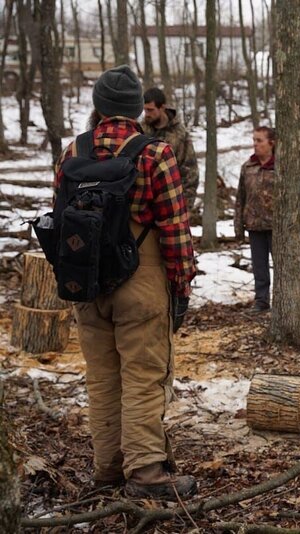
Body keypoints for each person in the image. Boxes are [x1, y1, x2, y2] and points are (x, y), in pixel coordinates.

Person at [54, 66, 197, 501]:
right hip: (141, 278)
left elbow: (60, 219)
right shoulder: (154, 153)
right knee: (144, 375)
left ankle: (108, 468)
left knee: (102, 378)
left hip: (86, 281)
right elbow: (174, 226)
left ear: (98, 106)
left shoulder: (71, 152)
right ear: (137, 109)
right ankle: (147, 471)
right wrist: (182, 285)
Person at [234, 126, 277, 312]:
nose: (255, 144)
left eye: (259, 140)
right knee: (259, 268)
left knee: (282, 267)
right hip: (254, 225)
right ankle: (261, 301)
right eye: (254, 140)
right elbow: (240, 198)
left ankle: (284, 302)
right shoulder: (248, 167)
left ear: (271, 143)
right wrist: (239, 228)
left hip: (277, 226)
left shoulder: (280, 166)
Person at [142, 87, 200, 217]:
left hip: (171, 203)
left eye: (150, 110)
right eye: (145, 110)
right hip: (143, 205)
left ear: (162, 108)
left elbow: (190, 171)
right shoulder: (140, 130)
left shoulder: (179, 134)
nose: (147, 114)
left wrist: (185, 207)